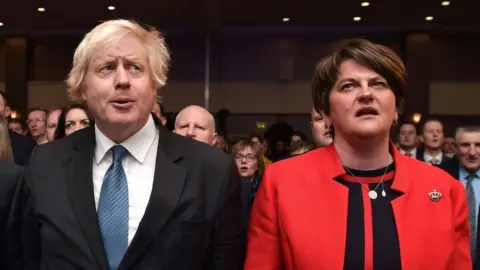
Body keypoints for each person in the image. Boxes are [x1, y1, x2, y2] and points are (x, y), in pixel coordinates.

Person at [17, 19, 245, 270]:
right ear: (82, 86)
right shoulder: (46, 164)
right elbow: (28, 257)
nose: (123, 80)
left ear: (154, 83)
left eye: (135, 67)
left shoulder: (212, 170)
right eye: (107, 68)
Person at [245, 39, 471, 269]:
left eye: (379, 84)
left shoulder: (445, 190)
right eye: (348, 86)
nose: (366, 94)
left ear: (396, 109)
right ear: (326, 113)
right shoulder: (282, 182)